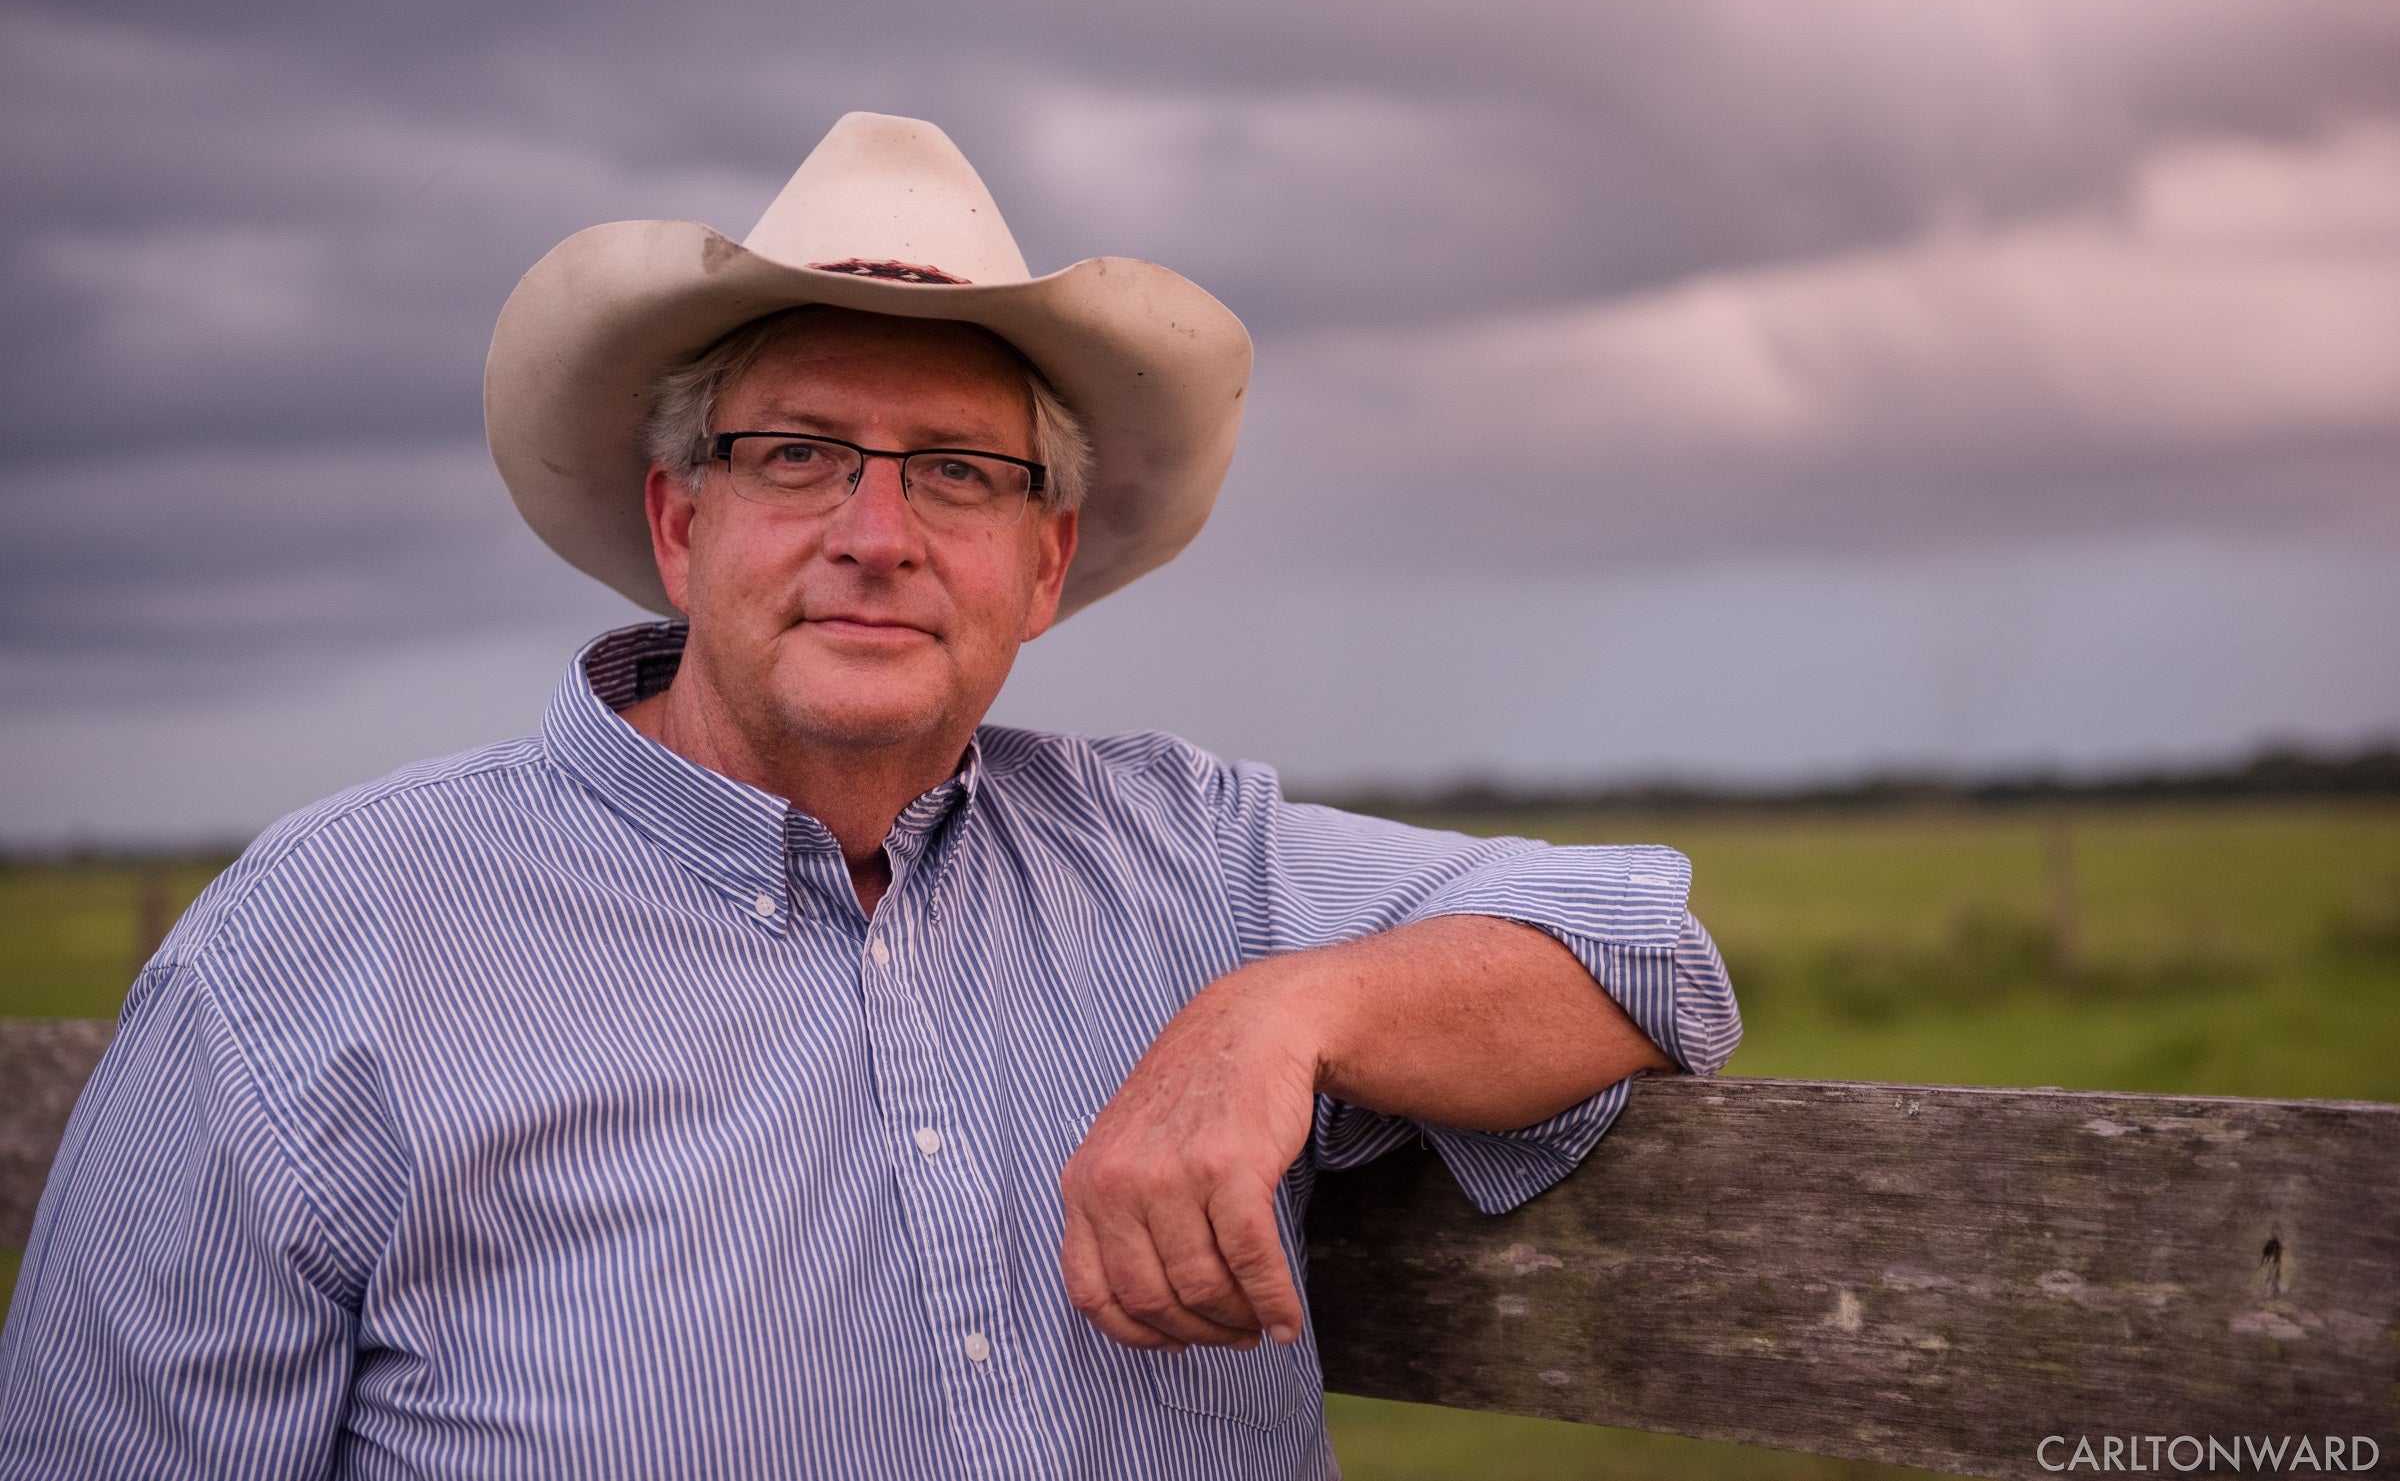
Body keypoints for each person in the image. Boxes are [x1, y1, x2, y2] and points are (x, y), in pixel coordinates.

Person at [0, 112, 1739, 1479]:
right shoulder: (319, 946)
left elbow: (1646, 958)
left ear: (1045, 560)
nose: (878, 534)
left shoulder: (1185, 852)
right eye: (798, 452)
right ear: (683, 523)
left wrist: (1283, 1011)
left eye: (960, 475)